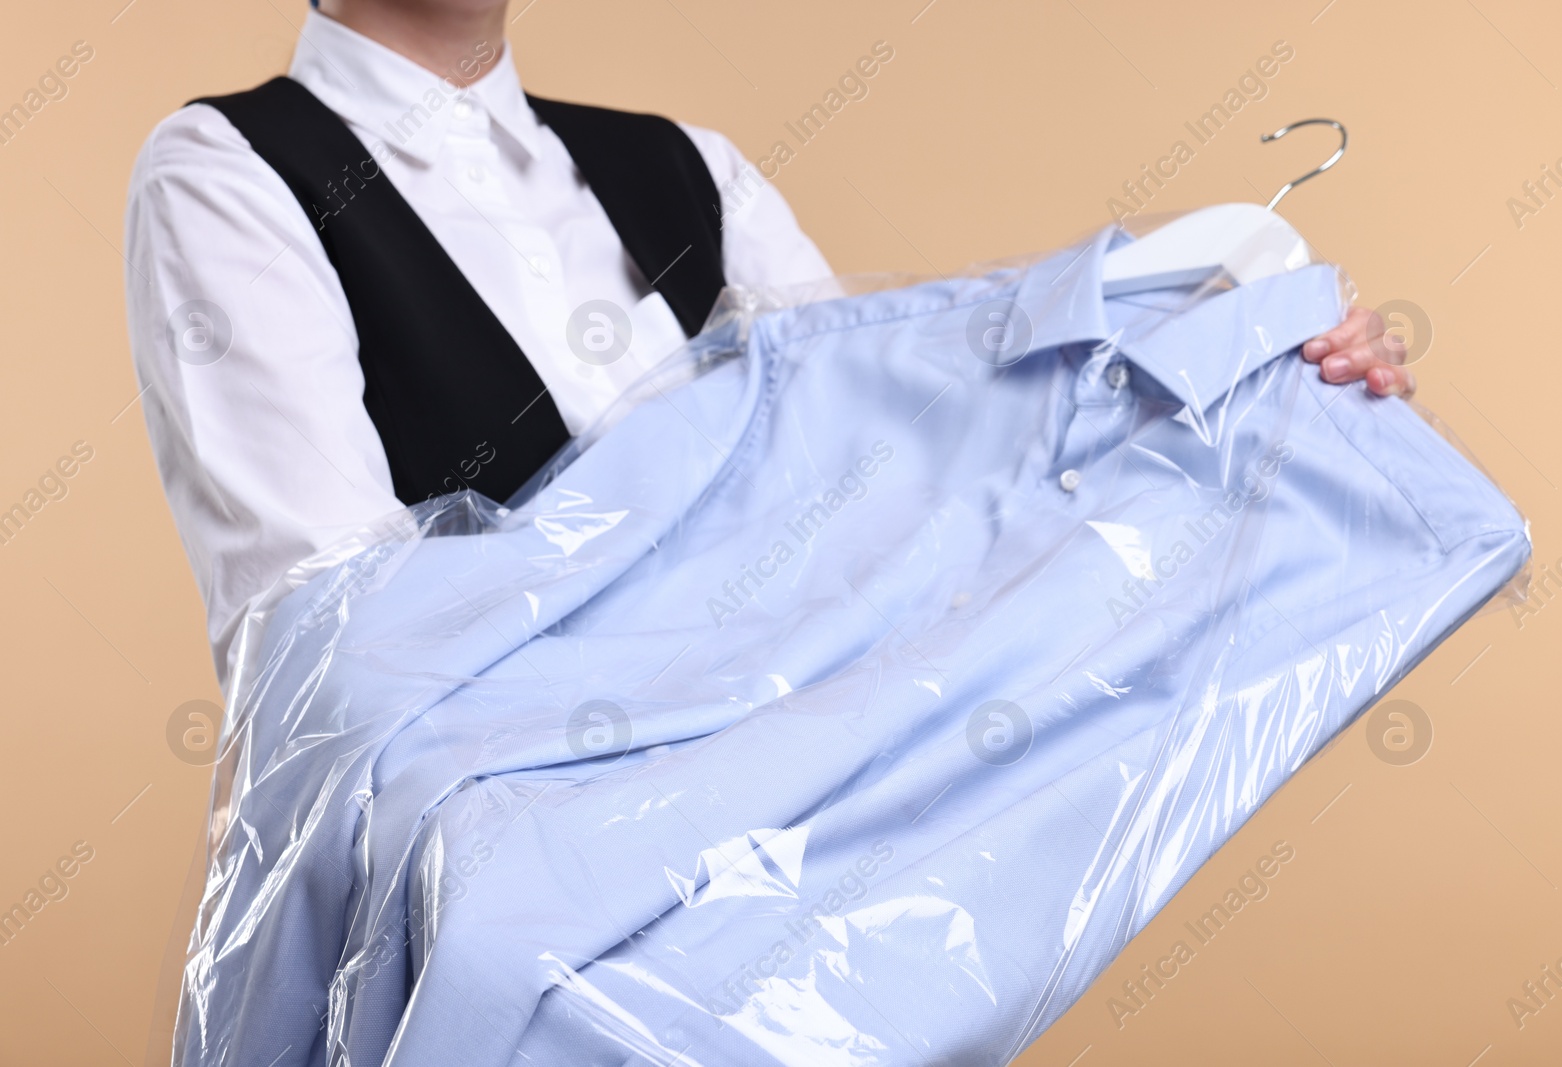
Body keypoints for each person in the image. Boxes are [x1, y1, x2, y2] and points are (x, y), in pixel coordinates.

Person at [124, 0, 1412, 680]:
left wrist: (1244, 362)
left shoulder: (691, 169)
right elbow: (334, 639)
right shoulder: (232, 173)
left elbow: (917, 470)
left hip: (772, 854)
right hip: (488, 894)